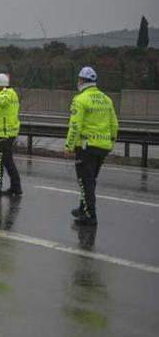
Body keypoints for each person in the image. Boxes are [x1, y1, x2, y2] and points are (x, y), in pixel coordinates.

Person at [64, 66, 118, 226]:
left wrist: (69, 146)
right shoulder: (106, 99)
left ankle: (90, 215)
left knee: (85, 181)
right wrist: (111, 143)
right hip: (102, 146)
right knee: (90, 180)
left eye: (78, 79)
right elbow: (114, 124)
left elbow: (75, 125)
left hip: (86, 147)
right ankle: (83, 208)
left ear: (81, 80)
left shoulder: (80, 99)